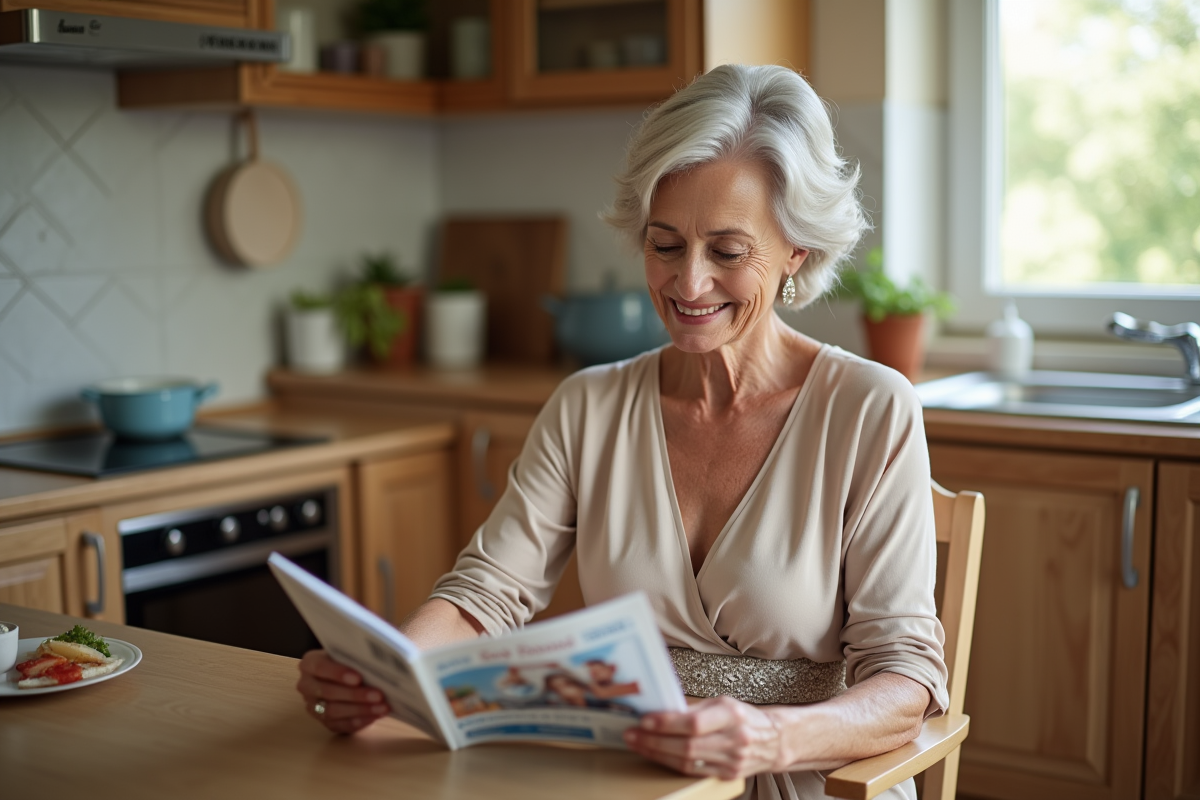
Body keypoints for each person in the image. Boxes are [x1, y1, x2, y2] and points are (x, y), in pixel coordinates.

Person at [297, 63, 947, 800]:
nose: (688, 283)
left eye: (728, 253)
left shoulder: (870, 406)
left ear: (797, 249)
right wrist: (390, 673)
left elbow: (907, 680)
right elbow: (486, 594)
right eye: (665, 245)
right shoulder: (589, 405)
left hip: (803, 778)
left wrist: (768, 737)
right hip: (632, 778)